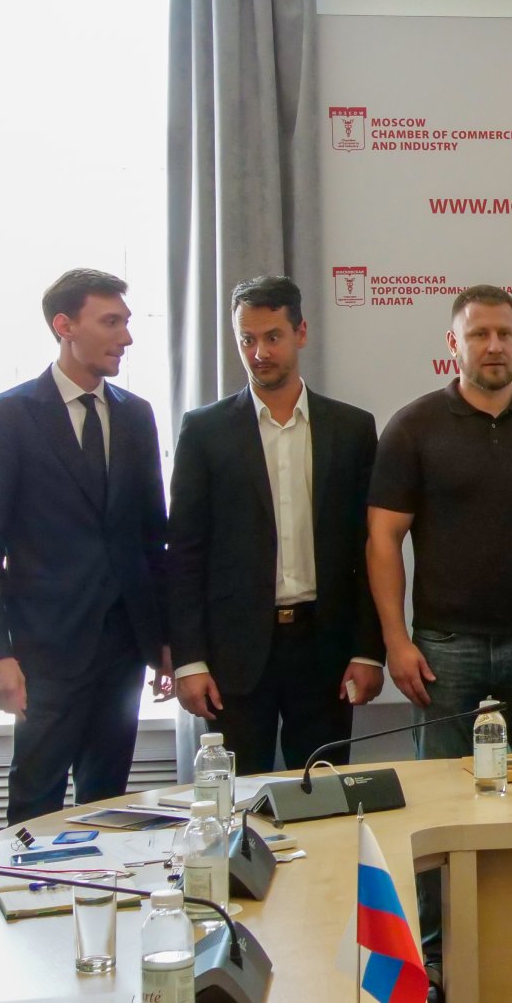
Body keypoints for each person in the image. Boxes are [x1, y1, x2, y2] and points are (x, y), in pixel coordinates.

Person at [0, 270, 170, 824]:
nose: (126, 337)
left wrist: (165, 639)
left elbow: (152, 537)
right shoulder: (8, 415)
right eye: (111, 322)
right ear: (64, 326)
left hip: (123, 648)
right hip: (43, 650)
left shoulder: (136, 415)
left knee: (107, 806)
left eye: (126, 322)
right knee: (36, 805)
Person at [367, 285, 512, 757]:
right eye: (479, 334)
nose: (494, 346)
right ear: (453, 343)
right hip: (443, 645)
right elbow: (382, 538)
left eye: (505, 334)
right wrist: (395, 640)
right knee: (440, 786)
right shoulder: (413, 426)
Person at [167, 276, 382, 774]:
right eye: (247, 339)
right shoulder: (205, 431)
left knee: (323, 792)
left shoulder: (351, 429)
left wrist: (368, 651)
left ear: (300, 333)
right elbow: (184, 553)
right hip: (234, 653)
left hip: (324, 648)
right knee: (238, 798)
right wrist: (189, 660)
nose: (259, 353)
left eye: (272, 337)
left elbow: (368, 548)